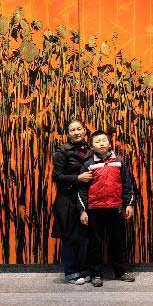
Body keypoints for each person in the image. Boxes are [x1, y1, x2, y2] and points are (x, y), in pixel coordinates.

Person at [77, 130, 137, 287]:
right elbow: (81, 190)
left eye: (104, 140)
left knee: (117, 241)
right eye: (97, 141)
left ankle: (120, 271)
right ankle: (96, 274)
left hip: (115, 209)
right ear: (91, 146)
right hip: (95, 210)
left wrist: (129, 204)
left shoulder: (119, 162)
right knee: (95, 244)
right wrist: (83, 210)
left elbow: (127, 185)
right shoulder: (88, 165)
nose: (101, 143)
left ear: (110, 143)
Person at [52, 120, 94, 285]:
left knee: (85, 236)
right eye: (72, 130)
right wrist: (78, 178)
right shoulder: (62, 151)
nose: (76, 132)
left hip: (86, 199)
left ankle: (84, 270)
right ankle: (71, 272)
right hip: (67, 200)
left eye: (79, 129)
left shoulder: (91, 150)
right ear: (68, 134)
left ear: (85, 131)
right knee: (69, 237)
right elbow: (56, 177)